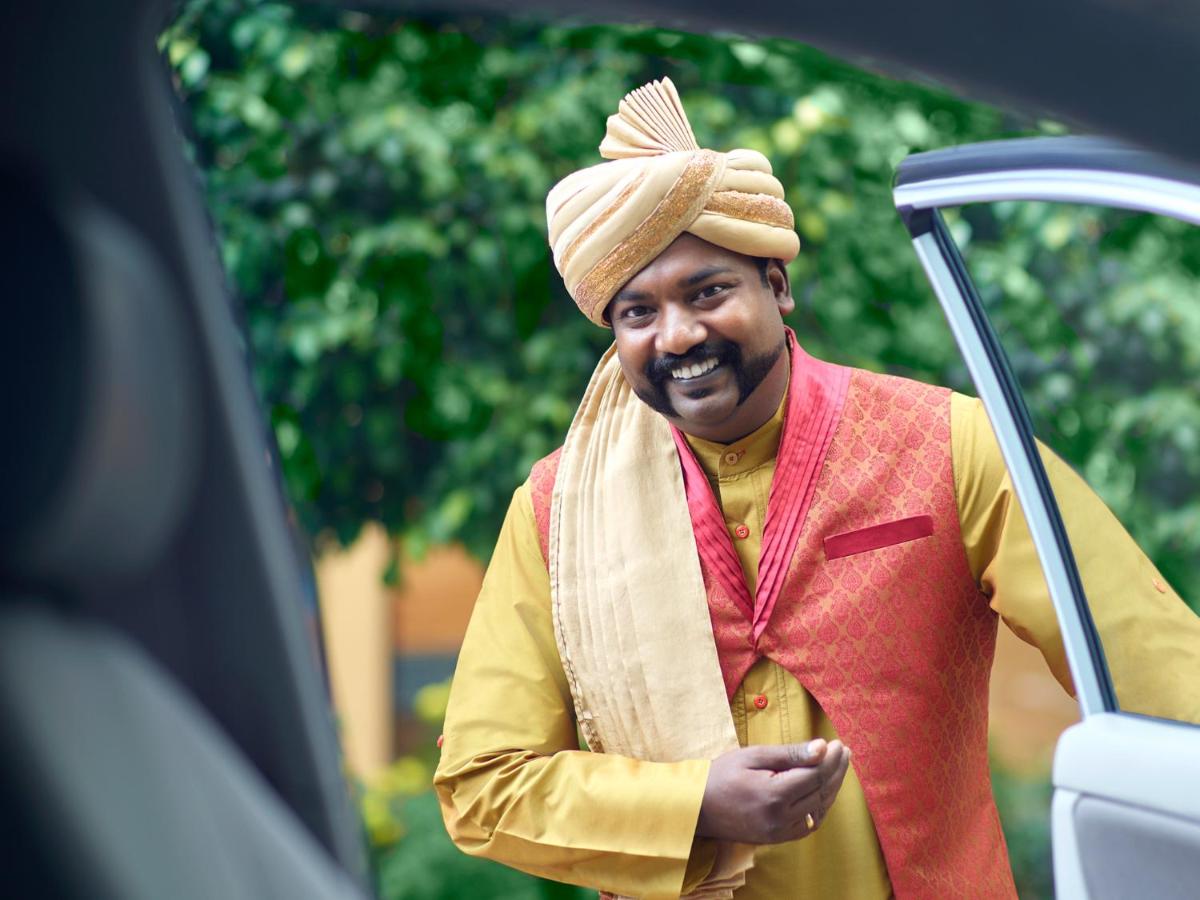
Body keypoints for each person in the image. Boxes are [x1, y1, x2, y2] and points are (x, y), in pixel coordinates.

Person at [433, 78, 1200, 899]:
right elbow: (483, 785)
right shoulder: (560, 513)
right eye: (637, 313)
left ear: (777, 285)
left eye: (709, 291)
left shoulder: (951, 444)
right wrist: (693, 805)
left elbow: (1157, 678)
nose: (679, 334)